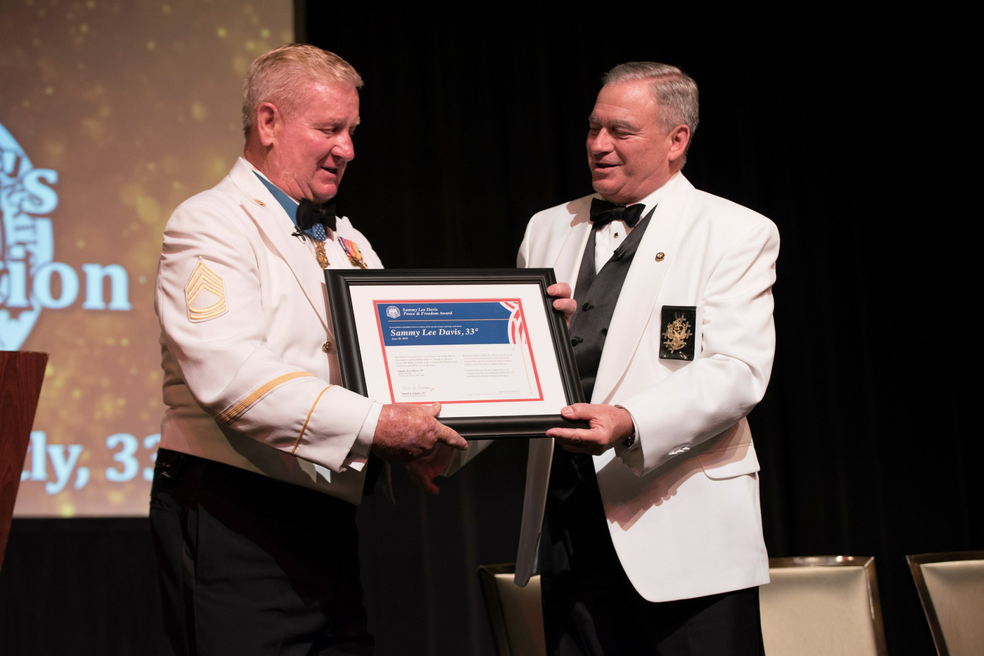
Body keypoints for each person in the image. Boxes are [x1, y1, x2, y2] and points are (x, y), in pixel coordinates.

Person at [413, 62, 778, 655]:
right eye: (592, 129)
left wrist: (630, 420)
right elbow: (520, 370)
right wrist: (449, 440)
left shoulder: (734, 231)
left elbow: (737, 371)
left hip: (685, 540)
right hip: (569, 533)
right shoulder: (548, 227)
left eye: (621, 131)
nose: (599, 146)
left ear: (677, 140)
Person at [150, 44, 467, 656]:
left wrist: (523, 342)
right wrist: (380, 425)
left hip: (325, 517)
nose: (347, 148)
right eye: (329, 129)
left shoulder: (349, 240)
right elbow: (233, 377)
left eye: (351, 130)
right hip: (232, 513)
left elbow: (399, 362)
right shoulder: (209, 222)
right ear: (268, 123)